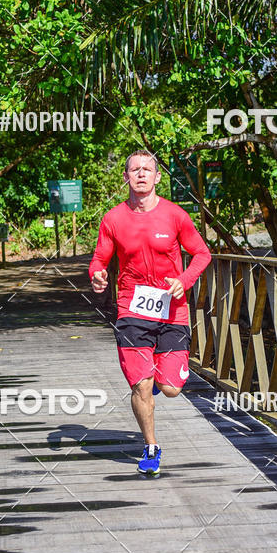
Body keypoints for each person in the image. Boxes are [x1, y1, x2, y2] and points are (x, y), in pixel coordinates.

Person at [89, 150, 211, 475]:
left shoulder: (175, 215)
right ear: (126, 177)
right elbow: (100, 259)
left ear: (157, 177)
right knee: (140, 386)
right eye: (135, 169)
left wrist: (184, 281)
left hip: (172, 310)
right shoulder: (113, 218)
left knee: (170, 388)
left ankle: (158, 378)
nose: (141, 174)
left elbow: (202, 254)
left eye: (147, 169)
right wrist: (97, 274)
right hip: (131, 309)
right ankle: (151, 446)